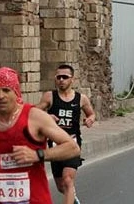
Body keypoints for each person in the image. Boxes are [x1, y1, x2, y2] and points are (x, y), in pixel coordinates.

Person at [0, 67, 80, 203]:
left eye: (6, 90)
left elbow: (72, 148)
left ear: (16, 92)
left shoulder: (35, 117)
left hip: (33, 199)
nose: (1, 96)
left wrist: (37, 155)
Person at [36, 64, 96, 204]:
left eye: (65, 77)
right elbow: (35, 113)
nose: (61, 80)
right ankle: (73, 200)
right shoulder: (50, 96)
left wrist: (90, 119)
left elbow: (91, 114)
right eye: (58, 77)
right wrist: (47, 117)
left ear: (72, 79)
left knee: (68, 180)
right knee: (61, 186)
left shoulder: (81, 98)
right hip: (55, 146)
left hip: (72, 144)